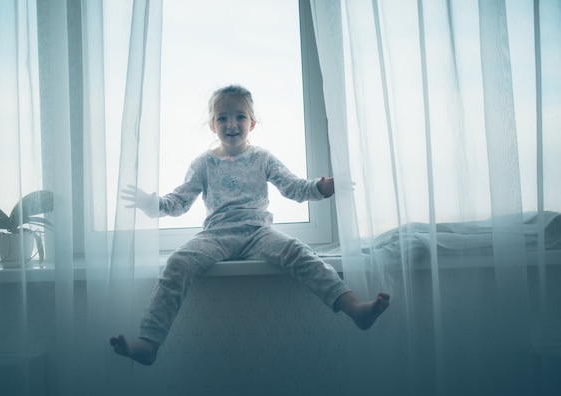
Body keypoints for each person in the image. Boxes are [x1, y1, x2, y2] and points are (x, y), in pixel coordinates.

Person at [110, 85, 390, 366]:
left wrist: (322, 187)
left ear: (252, 123)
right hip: (217, 235)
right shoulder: (203, 163)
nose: (231, 124)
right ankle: (149, 343)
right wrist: (152, 204)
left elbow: (293, 187)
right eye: (222, 118)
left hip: (258, 232)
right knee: (178, 262)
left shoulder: (263, 158)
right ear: (212, 125)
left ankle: (355, 309)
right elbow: (180, 201)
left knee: (300, 252)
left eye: (240, 117)